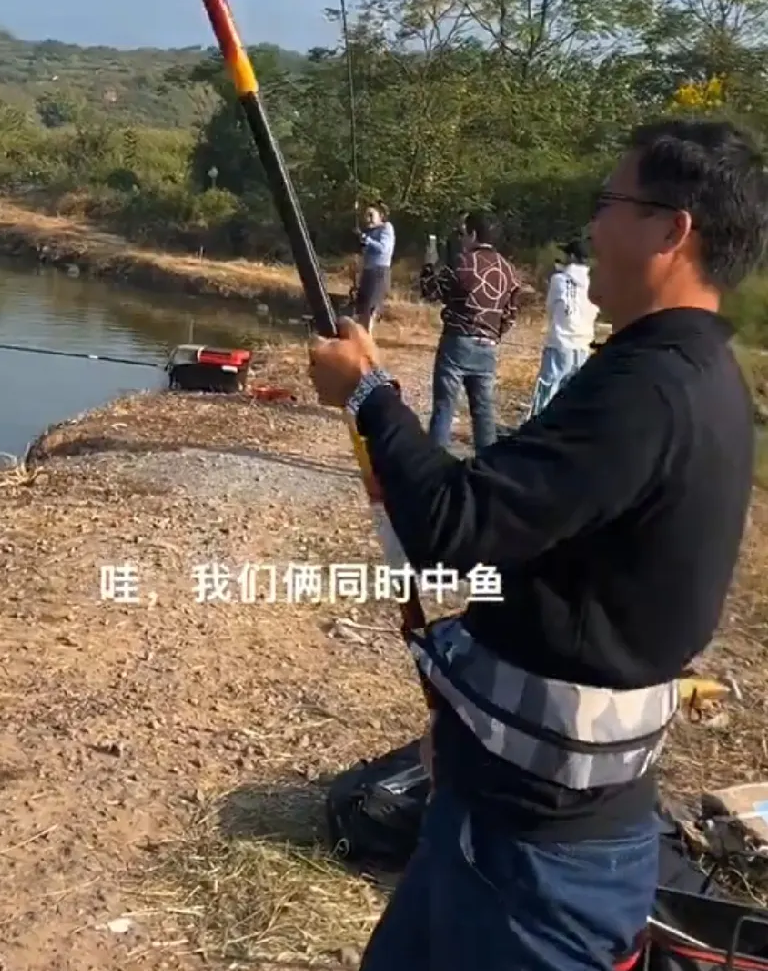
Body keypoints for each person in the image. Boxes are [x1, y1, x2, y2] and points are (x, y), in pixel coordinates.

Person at [309, 118, 768, 971]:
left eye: (609, 204)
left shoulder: (650, 391)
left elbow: (453, 527)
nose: (592, 229)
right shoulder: (688, 371)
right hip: (497, 807)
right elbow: (539, 553)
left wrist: (368, 393)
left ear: (674, 230)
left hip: (542, 856)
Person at [428, 209, 520, 453]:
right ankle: (486, 470)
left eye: (462, 232)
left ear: (473, 233)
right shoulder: (508, 271)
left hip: (457, 342)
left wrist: (429, 264)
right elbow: (510, 315)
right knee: (483, 413)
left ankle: (434, 468)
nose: (461, 238)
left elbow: (431, 292)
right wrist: (493, 333)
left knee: (444, 407)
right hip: (487, 346)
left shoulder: (462, 262)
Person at [529, 235, 599, 417]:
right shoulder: (593, 283)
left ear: (573, 258)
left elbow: (551, 309)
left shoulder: (559, 280)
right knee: (572, 396)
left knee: (547, 388)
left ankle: (534, 427)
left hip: (560, 342)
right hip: (583, 345)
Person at [353, 204, 395, 332]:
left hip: (379, 272)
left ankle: (367, 341)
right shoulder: (370, 232)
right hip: (368, 272)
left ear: (381, 216)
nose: (368, 218)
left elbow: (384, 248)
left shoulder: (386, 228)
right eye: (366, 215)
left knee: (370, 310)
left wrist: (367, 240)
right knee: (362, 309)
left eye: (371, 215)